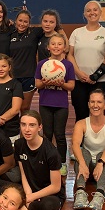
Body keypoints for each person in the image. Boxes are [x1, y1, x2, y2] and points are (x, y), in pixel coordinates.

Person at [71, 89, 105, 210]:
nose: (95, 105)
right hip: (87, 168)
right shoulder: (81, 124)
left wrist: (100, 163)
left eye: (99, 102)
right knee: (83, 153)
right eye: (92, 102)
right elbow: (75, 144)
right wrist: (82, 164)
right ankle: (81, 193)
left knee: (102, 154)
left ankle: (99, 196)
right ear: (88, 104)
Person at [15, 110, 66, 210]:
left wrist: (30, 198)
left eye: (32, 125)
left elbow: (55, 187)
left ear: (40, 127)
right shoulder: (19, 144)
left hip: (50, 195)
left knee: (47, 205)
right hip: (30, 191)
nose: (27, 129)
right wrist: (28, 194)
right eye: (23, 124)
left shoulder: (51, 152)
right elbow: (23, 173)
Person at [35, 34, 75, 169]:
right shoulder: (42, 64)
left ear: (64, 47)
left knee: (60, 135)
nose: (56, 46)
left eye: (59, 44)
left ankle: (62, 162)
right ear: (48, 47)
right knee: (47, 134)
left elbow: (71, 86)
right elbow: (38, 84)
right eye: (53, 44)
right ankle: (47, 161)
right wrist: (44, 83)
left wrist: (62, 84)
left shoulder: (68, 65)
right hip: (45, 104)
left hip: (61, 105)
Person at [67, 0, 105, 122]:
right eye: (88, 10)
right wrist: (79, 73)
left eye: (95, 9)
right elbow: (70, 55)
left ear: (100, 12)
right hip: (79, 82)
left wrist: (95, 76)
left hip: (100, 82)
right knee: (81, 116)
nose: (92, 12)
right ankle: (81, 141)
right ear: (84, 14)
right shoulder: (77, 32)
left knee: (98, 116)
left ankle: (99, 141)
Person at [9, 9, 43, 112]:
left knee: (24, 108)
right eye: (20, 21)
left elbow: (56, 27)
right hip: (12, 77)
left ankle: (24, 128)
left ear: (29, 23)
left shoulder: (35, 32)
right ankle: (14, 128)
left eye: (25, 21)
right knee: (13, 108)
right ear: (15, 21)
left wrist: (66, 46)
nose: (22, 24)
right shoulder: (10, 33)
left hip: (28, 76)